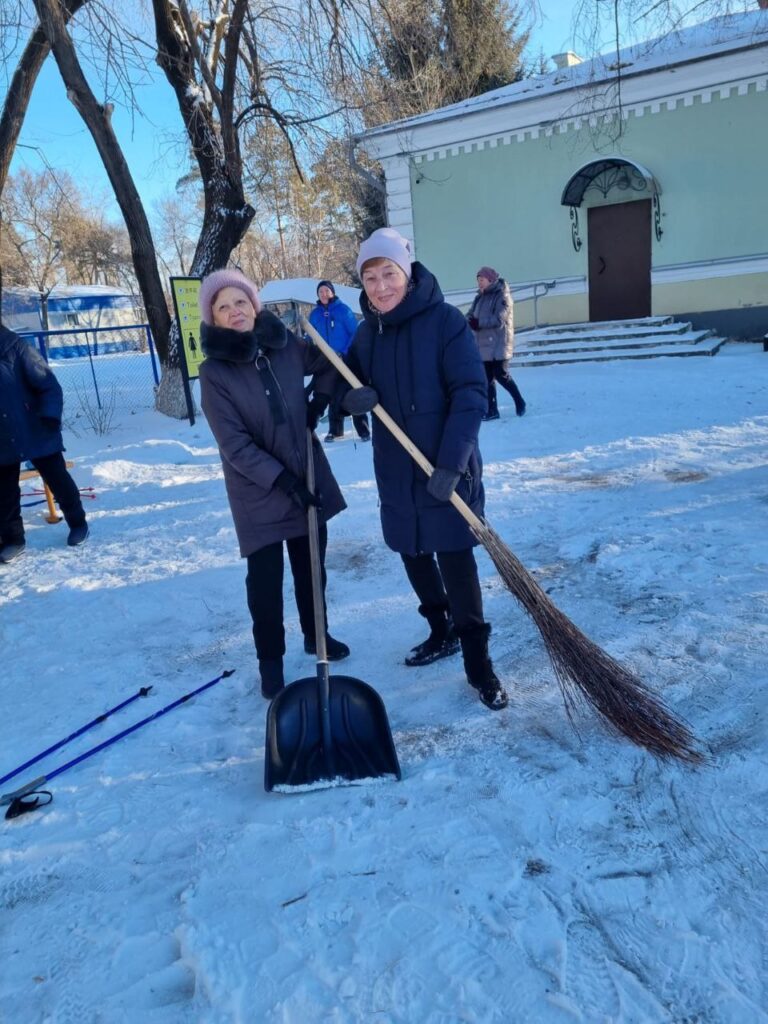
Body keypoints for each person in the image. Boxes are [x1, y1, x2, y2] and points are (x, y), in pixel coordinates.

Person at [340, 228, 508, 711]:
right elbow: (344, 380)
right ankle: (441, 629)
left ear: (407, 273)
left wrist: (452, 463)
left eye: (388, 273)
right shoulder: (368, 334)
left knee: (456, 563)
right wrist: (351, 399)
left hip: (446, 468)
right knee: (412, 552)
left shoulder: (446, 322)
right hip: (397, 471)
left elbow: (471, 393)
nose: (380, 287)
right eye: (369, 278)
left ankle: (479, 665)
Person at [198, 268, 350, 700]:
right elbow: (235, 445)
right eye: (223, 307)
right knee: (265, 586)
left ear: (254, 305)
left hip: (306, 473)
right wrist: (283, 482)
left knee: (311, 568)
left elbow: (330, 364)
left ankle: (316, 636)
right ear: (213, 317)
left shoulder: (285, 345)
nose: (235, 311)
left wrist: (320, 399)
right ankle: (271, 663)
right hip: (258, 490)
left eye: (240, 301)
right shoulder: (214, 373)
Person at [0, 323, 89, 563]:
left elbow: (48, 385)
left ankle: (78, 523)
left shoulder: (16, 348)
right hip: (3, 436)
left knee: (57, 478)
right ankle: (13, 540)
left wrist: (49, 416)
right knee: (4, 492)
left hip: (35, 427)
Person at [308, 280, 370, 443]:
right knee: (333, 394)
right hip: (327, 362)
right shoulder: (315, 315)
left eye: (326, 291)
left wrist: (343, 351)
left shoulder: (343, 310)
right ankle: (335, 431)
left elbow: (354, 333)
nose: (324, 294)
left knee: (353, 391)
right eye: (320, 292)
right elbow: (310, 336)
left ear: (332, 292)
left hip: (346, 359)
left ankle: (363, 429)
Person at [466, 266, 526, 420]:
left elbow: (499, 319)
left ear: (490, 280)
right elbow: (470, 314)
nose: (479, 283)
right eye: (478, 280)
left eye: (482, 280)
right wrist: (466, 321)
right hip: (483, 345)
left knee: (501, 375)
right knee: (487, 379)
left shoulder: (502, 295)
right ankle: (492, 410)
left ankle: (519, 400)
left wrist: (478, 323)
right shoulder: (479, 297)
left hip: (499, 343)